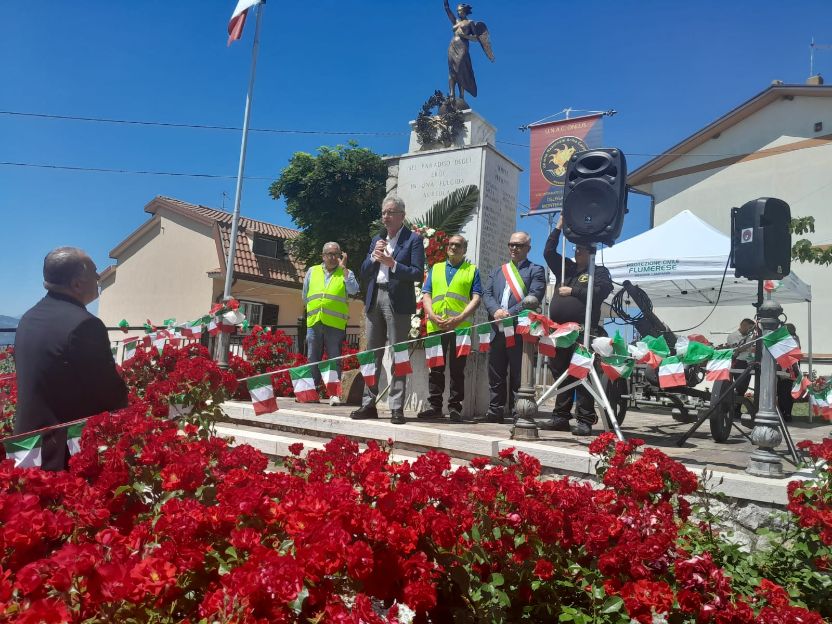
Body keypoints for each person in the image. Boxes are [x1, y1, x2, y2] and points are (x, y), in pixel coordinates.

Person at [14, 247, 127, 470]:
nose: (98, 279)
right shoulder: (85, 325)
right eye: (95, 274)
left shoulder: (28, 318)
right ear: (76, 284)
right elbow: (112, 394)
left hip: (26, 447)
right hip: (62, 454)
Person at [350, 197, 425, 425]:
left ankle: (396, 407)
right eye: (383, 212)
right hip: (375, 299)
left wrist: (393, 264)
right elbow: (364, 271)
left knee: (398, 354)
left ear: (402, 215)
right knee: (371, 355)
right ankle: (368, 403)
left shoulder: (412, 240)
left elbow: (416, 272)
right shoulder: (377, 240)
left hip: (397, 301)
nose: (386, 217)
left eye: (391, 212)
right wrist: (374, 257)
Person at [541, 216, 614, 436]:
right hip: (560, 331)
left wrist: (572, 292)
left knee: (582, 373)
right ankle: (561, 417)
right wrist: (558, 227)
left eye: (581, 250)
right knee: (560, 373)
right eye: (575, 249)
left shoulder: (598, 272)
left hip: (583, 332)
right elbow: (548, 253)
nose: (576, 252)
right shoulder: (567, 269)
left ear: (590, 252)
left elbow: (601, 292)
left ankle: (585, 419)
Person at [477, 232, 546, 423]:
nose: (514, 248)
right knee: (496, 371)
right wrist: (496, 311)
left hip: (518, 330)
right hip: (497, 326)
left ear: (528, 248)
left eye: (519, 245)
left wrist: (510, 313)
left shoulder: (536, 270)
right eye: (511, 244)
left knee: (518, 371)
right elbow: (487, 293)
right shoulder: (498, 271)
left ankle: (518, 411)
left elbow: (533, 297)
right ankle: (495, 409)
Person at [418, 235, 482, 422]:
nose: (453, 247)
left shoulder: (472, 271)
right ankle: (435, 406)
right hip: (435, 325)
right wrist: (430, 314)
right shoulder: (436, 268)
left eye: (458, 245)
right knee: (435, 368)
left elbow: (476, 298)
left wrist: (460, 318)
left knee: (457, 369)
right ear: (447, 248)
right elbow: (426, 295)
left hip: (460, 328)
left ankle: (455, 408)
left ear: (464, 249)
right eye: (451, 244)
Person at [303, 242, 359, 406]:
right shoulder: (312, 271)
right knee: (312, 357)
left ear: (341, 256)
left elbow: (354, 290)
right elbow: (305, 295)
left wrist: (344, 269)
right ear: (323, 256)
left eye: (336, 254)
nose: (333, 257)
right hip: (314, 321)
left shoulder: (345, 273)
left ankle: (333, 394)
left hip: (335, 323)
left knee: (334, 359)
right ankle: (311, 393)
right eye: (329, 254)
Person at [443, 1, 493, 102]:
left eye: (460, 11)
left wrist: (464, 36)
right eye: (457, 11)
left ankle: (461, 96)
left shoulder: (470, 23)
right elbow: (447, 10)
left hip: (462, 47)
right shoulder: (456, 22)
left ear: (465, 12)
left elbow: (476, 38)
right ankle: (452, 94)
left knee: (461, 69)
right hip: (452, 47)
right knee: (452, 70)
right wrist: (445, 3)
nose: (458, 13)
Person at [726, 318, 756, 415]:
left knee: (744, 387)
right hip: (738, 362)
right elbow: (738, 349)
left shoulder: (748, 337)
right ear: (743, 325)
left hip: (748, 362)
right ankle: (733, 408)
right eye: (750, 328)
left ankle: (736, 409)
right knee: (739, 386)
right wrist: (752, 341)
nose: (750, 331)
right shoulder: (733, 336)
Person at [776, 322, 801, 421]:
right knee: (784, 392)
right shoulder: (795, 338)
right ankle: (786, 413)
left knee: (784, 392)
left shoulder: (791, 339)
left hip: (788, 366)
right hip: (788, 366)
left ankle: (785, 413)